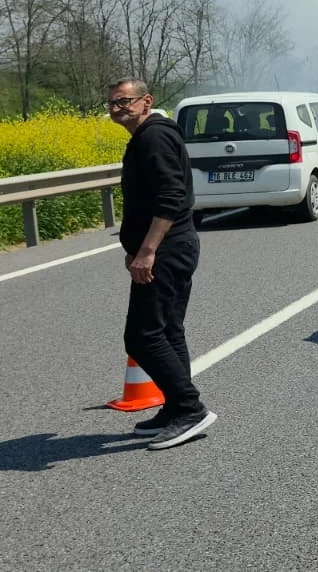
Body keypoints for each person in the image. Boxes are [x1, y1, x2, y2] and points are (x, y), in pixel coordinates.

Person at [109, 76, 218, 451]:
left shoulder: (153, 137)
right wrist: (135, 244)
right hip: (172, 247)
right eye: (112, 103)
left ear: (145, 101)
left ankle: (190, 408)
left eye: (124, 101)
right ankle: (175, 408)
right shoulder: (149, 136)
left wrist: (147, 250)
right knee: (169, 330)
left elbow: (172, 197)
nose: (117, 108)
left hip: (167, 250)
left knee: (142, 336)